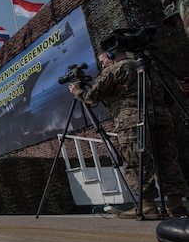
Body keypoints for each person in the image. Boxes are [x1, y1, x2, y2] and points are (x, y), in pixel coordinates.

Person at [69, 48, 189, 219]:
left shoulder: (115, 69)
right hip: (162, 120)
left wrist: (77, 91)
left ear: (112, 55)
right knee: (167, 160)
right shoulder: (149, 68)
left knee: (137, 160)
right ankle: (176, 205)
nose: (103, 65)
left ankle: (147, 206)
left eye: (103, 61)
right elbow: (169, 99)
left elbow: (92, 96)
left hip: (132, 122)